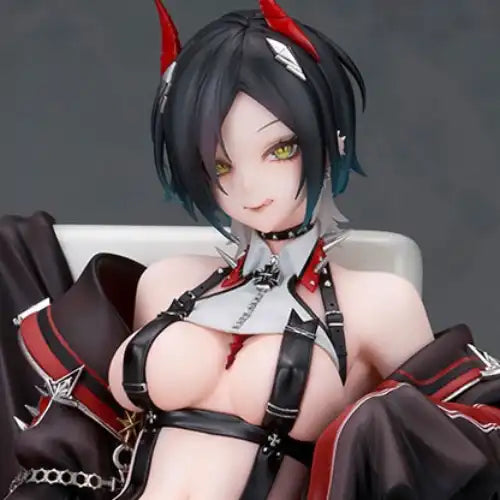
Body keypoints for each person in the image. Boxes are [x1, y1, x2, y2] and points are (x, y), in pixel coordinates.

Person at [4, 1, 500, 499]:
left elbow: (448, 451)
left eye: (280, 149)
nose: (249, 186)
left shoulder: (380, 305)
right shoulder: (166, 283)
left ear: (328, 137)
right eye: (220, 165)